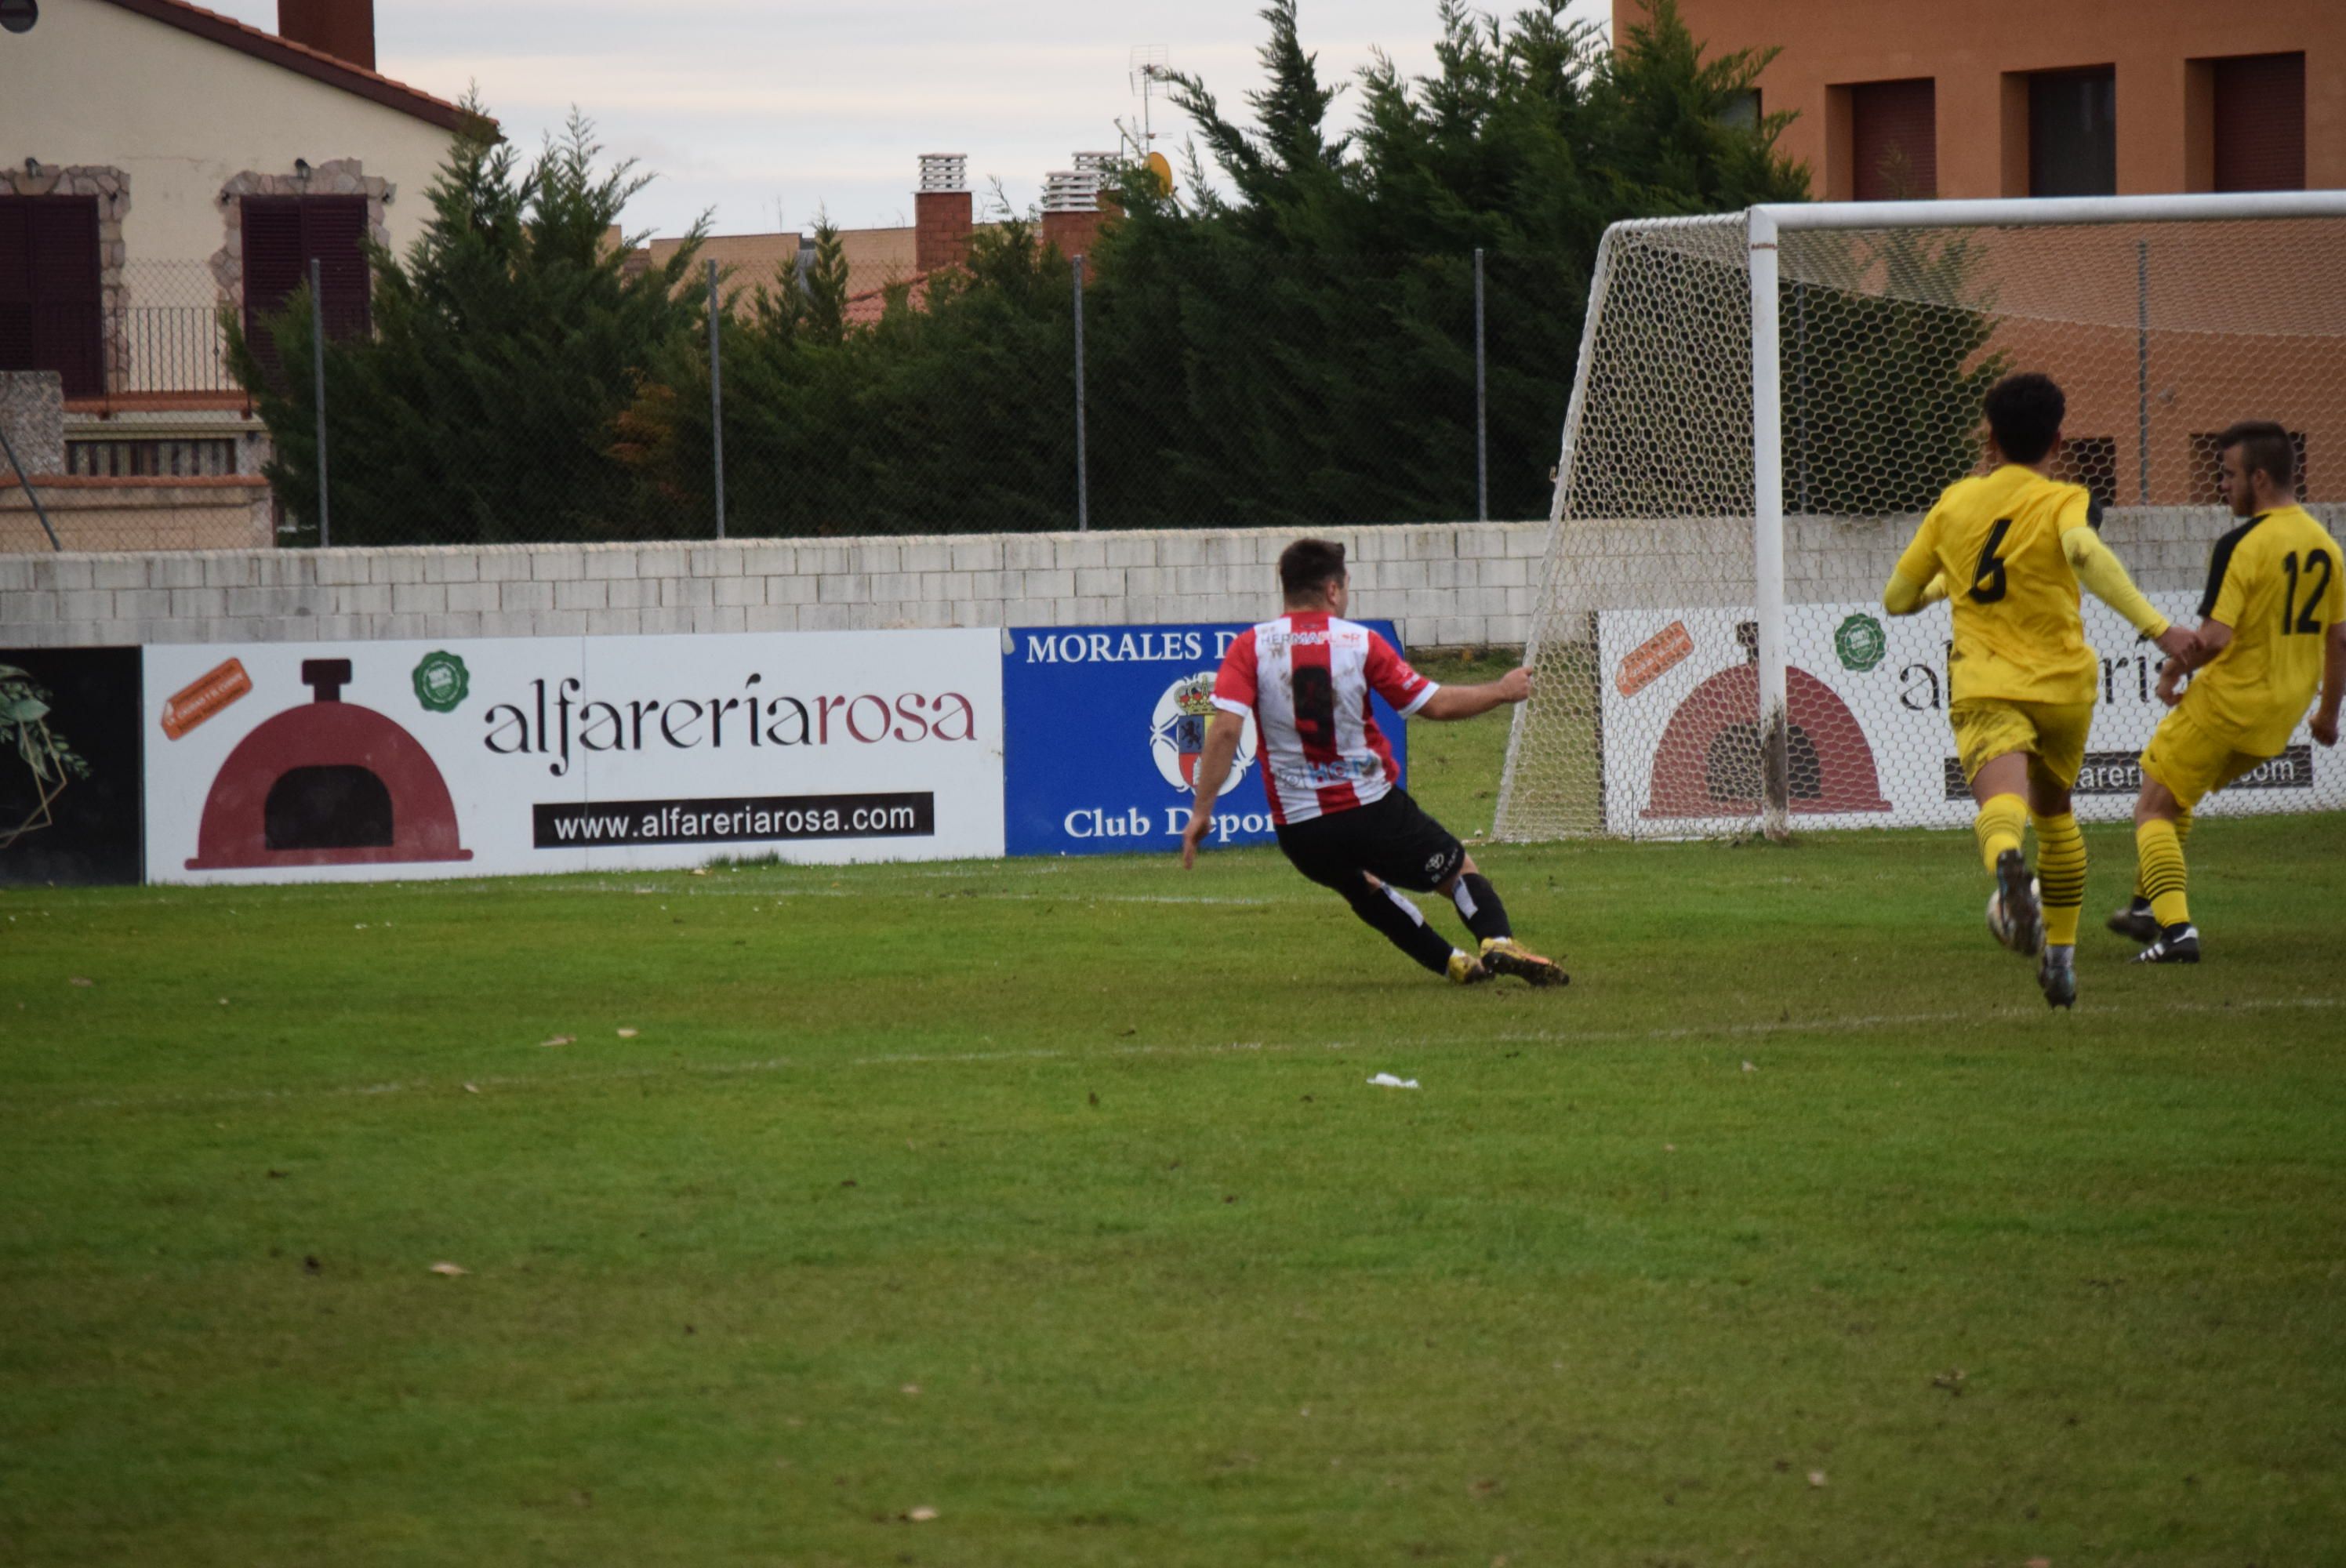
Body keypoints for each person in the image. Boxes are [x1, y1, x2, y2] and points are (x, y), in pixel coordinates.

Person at [1881, 372, 2195, 1008]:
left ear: (1988, 437)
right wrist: (2158, 629)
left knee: (2004, 812)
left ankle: (2006, 871)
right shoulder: (2066, 499)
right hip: (2065, 688)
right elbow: (2083, 551)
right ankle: (2060, 960)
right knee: (2056, 816)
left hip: (1988, 683)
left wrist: (1951, 585)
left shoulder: (1954, 504)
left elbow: (1897, 598)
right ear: (2057, 440)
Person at [1178, 538, 1566, 987]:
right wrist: (1502, 690)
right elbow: (1433, 704)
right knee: (1458, 872)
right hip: (1370, 810)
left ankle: (1455, 964)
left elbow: (1225, 730)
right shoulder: (1361, 642)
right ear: (1333, 590)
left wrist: (1202, 811)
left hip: (1300, 830)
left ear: (1285, 589)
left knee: (1363, 889)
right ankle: (1496, 940)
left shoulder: (1249, 647)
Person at [2112, 421, 2345, 964]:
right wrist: (2327, 715)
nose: (2222, 485)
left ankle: (2176, 932)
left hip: (2228, 702)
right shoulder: (2324, 546)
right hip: (2279, 715)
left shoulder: (2243, 543)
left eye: (2229, 474)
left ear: (2260, 479)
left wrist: (2172, 671)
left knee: (2152, 809)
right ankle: (2147, 906)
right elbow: (2339, 639)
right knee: (2177, 794)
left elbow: (2216, 639)